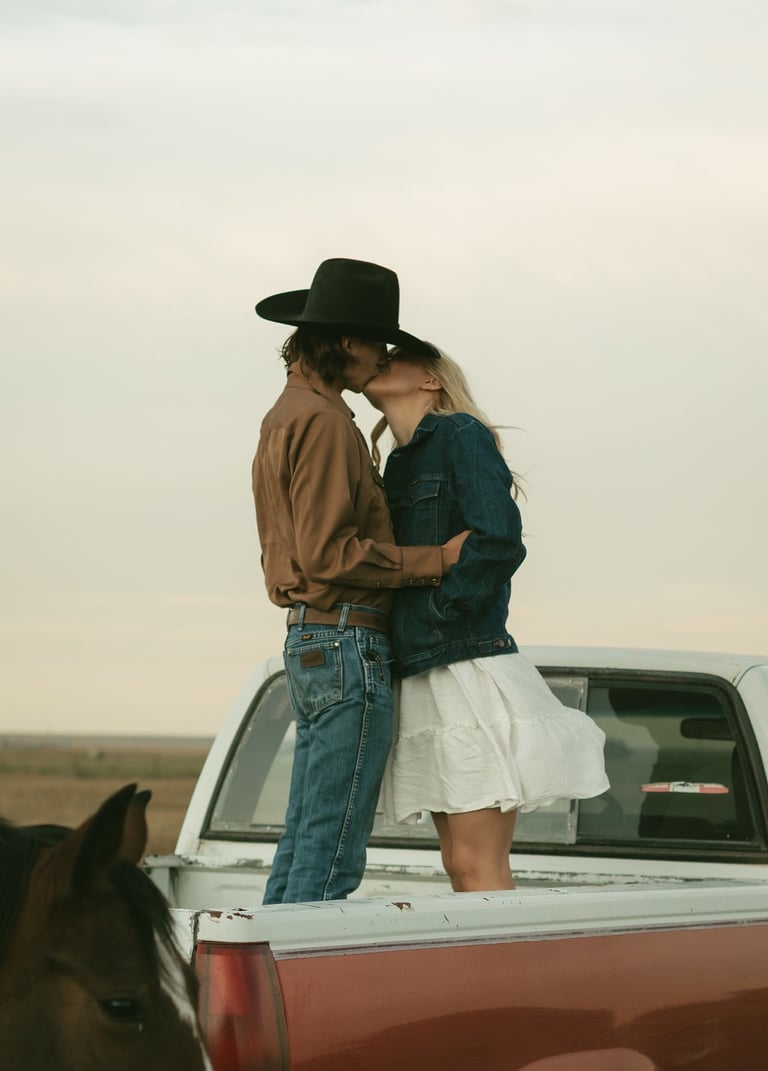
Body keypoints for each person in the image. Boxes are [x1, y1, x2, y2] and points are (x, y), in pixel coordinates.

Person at [251, 258, 468, 904]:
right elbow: (328, 555)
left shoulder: (285, 414)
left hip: (315, 641)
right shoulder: (322, 423)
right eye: (377, 340)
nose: (382, 355)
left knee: (304, 844)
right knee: (331, 854)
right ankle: (293, 993)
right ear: (346, 340)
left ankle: (258, 983)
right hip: (346, 642)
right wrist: (436, 559)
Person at [364, 346, 609, 892]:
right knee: (458, 865)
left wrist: (440, 609)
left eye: (396, 356)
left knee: (477, 863)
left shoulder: (459, 434)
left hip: (463, 662)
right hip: (421, 667)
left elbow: (498, 538)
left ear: (430, 378)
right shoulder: (397, 461)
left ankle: (509, 976)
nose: (380, 359)